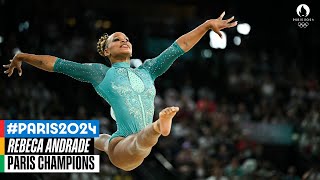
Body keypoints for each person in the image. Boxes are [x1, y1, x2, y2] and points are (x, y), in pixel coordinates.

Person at [3, 11, 237, 171]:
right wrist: (23, 56)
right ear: (106, 52)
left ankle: (104, 137)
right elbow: (56, 64)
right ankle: (158, 127)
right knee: (139, 142)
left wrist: (206, 25)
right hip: (125, 148)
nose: (124, 41)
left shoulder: (148, 70)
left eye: (126, 39)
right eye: (117, 40)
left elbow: (179, 47)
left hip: (120, 142)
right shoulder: (100, 73)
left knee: (108, 141)